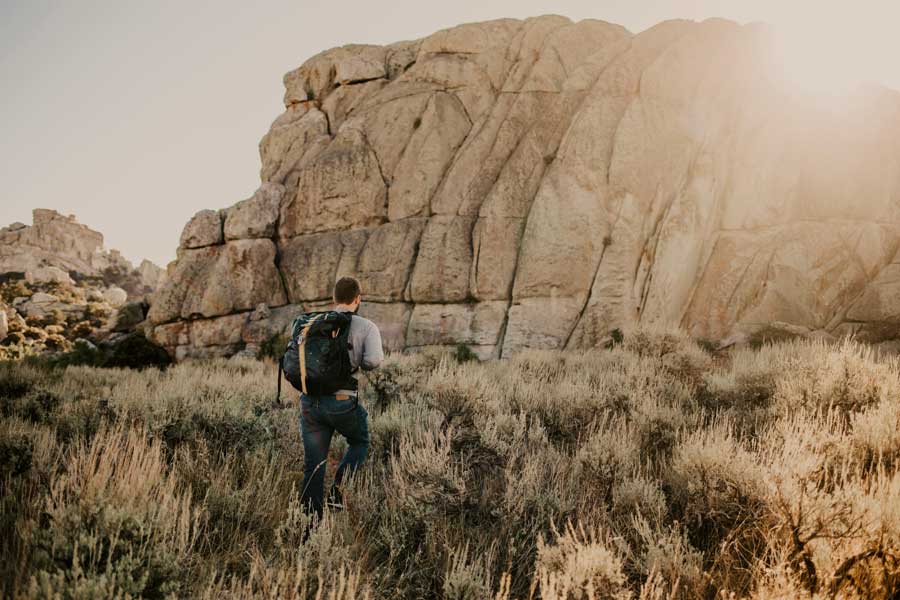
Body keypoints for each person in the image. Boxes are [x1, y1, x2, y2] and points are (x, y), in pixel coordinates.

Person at [299, 276, 383, 518]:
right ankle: (337, 494)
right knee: (360, 442)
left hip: (310, 402)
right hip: (341, 402)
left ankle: (309, 524)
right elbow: (373, 361)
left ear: (334, 298)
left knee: (314, 465)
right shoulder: (366, 326)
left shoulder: (314, 322)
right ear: (358, 299)